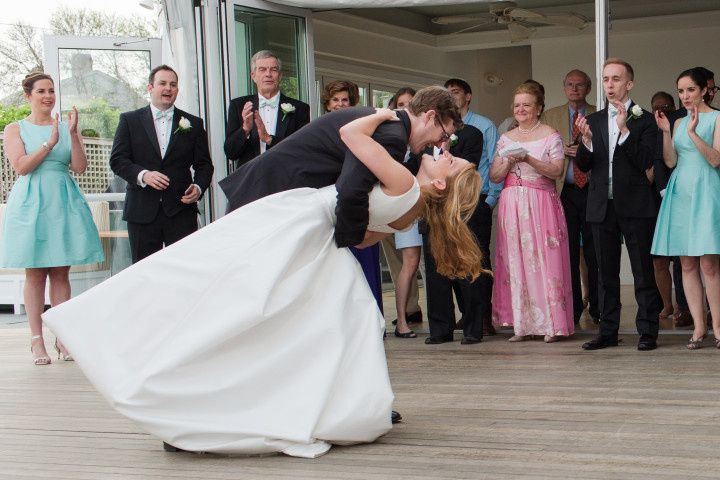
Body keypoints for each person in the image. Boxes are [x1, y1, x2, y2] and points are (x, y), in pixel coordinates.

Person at [42, 109, 481, 458]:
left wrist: (383, 115)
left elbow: (351, 139)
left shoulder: (403, 180)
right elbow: (366, 235)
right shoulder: (409, 208)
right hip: (318, 239)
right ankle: (322, 406)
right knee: (301, 331)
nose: (445, 147)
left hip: (299, 225)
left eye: (450, 156)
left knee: (230, 297)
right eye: (447, 145)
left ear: (440, 181)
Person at [0, 72, 104, 365]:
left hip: (63, 201)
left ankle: (62, 336)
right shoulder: (15, 128)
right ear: (28, 96)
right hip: (32, 202)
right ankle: (36, 340)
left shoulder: (65, 127)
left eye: (51, 90)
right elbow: (21, 167)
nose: (48, 96)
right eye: (41, 91)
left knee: (61, 272)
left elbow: (80, 167)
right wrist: (49, 143)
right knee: (35, 274)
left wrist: (70, 134)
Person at [575, 58, 661, 351]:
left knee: (642, 270)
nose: (609, 85)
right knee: (604, 272)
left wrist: (625, 132)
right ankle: (607, 331)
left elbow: (646, 161)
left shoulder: (645, 119)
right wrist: (585, 142)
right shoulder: (595, 120)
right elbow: (585, 165)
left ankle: (648, 331)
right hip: (601, 205)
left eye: (615, 79)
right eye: (606, 79)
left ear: (629, 84)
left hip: (636, 204)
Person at [489, 82, 574, 343]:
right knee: (515, 261)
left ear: (538, 108)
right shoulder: (506, 138)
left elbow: (557, 171)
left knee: (545, 261)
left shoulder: (551, 135)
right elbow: (494, 176)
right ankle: (521, 325)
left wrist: (528, 159)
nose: (521, 109)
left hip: (541, 202)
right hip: (512, 202)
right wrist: (507, 162)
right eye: (517, 105)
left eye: (527, 104)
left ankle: (551, 324)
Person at [109, 65, 214, 263]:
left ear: (177, 90)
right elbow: (117, 160)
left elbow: (204, 165)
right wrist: (143, 175)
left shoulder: (194, 124)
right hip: (141, 211)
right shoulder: (129, 120)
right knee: (144, 273)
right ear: (150, 88)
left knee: (184, 269)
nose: (168, 88)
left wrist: (199, 187)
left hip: (181, 210)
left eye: (173, 84)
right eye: (162, 83)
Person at [652, 68, 720, 349]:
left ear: (704, 89)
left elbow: (715, 159)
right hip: (681, 191)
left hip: (706, 188)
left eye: (690, 90)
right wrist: (669, 133)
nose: (685, 96)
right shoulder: (677, 122)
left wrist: (692, 132)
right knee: (687, 263)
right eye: (681, 91)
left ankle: (718, 326)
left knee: (709, 264)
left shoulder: (717, 118)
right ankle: (698, 327)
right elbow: (670, 162)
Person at [420, 122, 488, 344]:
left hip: (465, 212)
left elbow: (468, 168)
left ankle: (473, 328)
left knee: (469, 270)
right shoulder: (424, 143)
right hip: (435, 214)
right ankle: (440, 329)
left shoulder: (471, 134)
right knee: (435, 272)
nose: (448, 154)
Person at [321, 79, 384, 315]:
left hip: (360, 202)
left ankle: (372, 319)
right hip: (331, 203)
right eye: (335, 100)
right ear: (327, 104)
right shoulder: (322, 129)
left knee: (365, 259)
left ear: (352, 102)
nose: (339, 104)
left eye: (344, 100)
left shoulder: (366, 129)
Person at [543, 69, 600, 325]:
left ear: (588, 88)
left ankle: (598, 305)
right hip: (562, 190)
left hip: (592, 188)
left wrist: (585, 151)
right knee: (566, 252)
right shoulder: (550, 116)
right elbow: (540, 152)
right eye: (570, 85)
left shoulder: (599, 113)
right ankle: (573, 307)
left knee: (595, 250)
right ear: (564, 88)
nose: (574, 89)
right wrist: (559, 152)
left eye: (580, 85)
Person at [444, 78, 499, 336]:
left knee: (480, 258)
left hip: (478, 198)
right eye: (447, 93)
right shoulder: (443, 127)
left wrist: (489, 200)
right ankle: (466, 312)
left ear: (468, 96)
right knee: (454, 258)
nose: (451, 96)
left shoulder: (484, 126)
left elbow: (491, 161)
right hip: (450, 204)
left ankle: (484, 315)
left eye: (455, 92)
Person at [380, 87, 425, 330]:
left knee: (417, 261)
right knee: (399, 261)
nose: (405, 107)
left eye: (410, 103)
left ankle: (415, 309)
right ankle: (408, 310)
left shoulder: (423, 139)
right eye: (400, 103)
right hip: (392, 205)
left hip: (418, 204)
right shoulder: (388, 135)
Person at [224, 50, 310, 166]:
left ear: (280, 76)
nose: (268, 74)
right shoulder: (238, 105)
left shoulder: (300, 108)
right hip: (250, 179)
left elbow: (302, 151)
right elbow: (230, 152)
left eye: (273, 70)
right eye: (262, 69)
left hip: (286, 177)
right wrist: (245, 129)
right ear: (253, 76)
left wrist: (269, 139)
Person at [650, 91, 691, 327]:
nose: (661, 109)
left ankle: (686, 307)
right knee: (663, 258)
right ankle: (670, 304)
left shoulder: (678, 121)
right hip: (662, 198)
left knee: (684, 257)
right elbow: (661, 160)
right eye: (657, 107)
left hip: (688, 196)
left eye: (666, 105)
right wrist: (664, 191)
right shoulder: (659, 126)